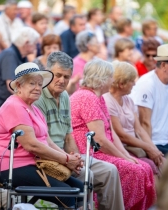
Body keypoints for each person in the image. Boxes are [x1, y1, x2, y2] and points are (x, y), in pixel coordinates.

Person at [34, 51, 124, 210]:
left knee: (110, 171)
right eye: (58, 75)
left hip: (65, 154)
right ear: (47, 73)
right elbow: (42, 142)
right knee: (84, 174)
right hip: (46, 157)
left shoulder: (65, 97)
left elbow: (69, 137)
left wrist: (75, 157)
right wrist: (68, 159)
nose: (62, 80)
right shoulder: (38, 97)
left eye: (67, 77)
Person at [0, 62, 84, 209]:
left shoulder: (34, 108)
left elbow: (48, 142)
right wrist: (66, 160)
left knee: (81, 188)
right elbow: (32, 145)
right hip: (13, 167)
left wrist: (70, 158)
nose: (37, 88)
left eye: (39, 84)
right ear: (19, 86)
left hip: (34, 164)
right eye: (32, 83)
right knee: (68, 195)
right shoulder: (14, 106)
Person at [70, 59, 156, 210]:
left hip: (101, 151)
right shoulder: (87, 97)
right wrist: (124, 158)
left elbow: (111, 133)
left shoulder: (98, 97)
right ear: (102, 79)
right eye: (111, 77)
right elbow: (100, 140)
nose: (113, 80)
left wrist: (126, 156)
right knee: (136, 170)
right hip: (91, 152)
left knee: (144, 168)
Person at [103, 61, 163, 173]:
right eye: (132, 81)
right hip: (122, 148)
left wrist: (154, 150)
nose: (134, 84)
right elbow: (121, 135)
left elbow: (139, 130)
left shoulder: (128, 100)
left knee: (161, 162)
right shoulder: (107, 100)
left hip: (135, 147)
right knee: (149, 166)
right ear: (121, 84)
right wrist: (148, 148)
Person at [130, 43, 168, 155]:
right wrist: (151, 152)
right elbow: (144, 123)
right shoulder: (147, 84)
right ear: (164, 65)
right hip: (151, 143)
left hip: (165, 143)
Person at [0, 27, 39, 115]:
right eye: (35, 43)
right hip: (2, 105)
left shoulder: (22, 56)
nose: (36, 47)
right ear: (26, 43)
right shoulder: (9, 54)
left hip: (14, 102)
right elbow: (11, 85)